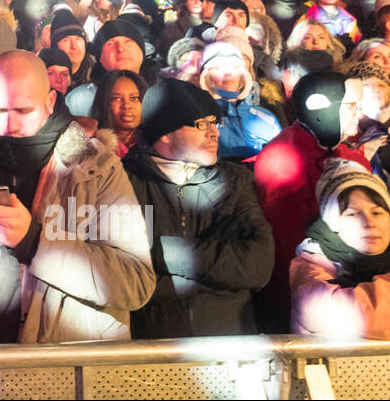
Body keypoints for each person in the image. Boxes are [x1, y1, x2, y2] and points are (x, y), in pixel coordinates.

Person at [0, 50, 155, 343]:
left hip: (56, 360)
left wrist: (35, 242)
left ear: (49, 101)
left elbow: (135, 280)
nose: (9, 125)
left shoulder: (95, 166)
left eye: (23, 111)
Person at [123, 79, 274, 338]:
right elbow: (127, 278)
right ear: (165, 132)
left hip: (230, 345)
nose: (214, 132)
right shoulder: (125, 182)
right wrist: (221, 280)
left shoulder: (235, 180)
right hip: (154, 348)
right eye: (201, 124)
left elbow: (257, 266)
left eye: (215, 123)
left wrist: (165, 251)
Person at [252, 71, 365, 332]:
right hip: (304, 296)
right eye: (351, 106)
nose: (359, 113)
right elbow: (285, 245)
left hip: (348, 288)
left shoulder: (348, 153)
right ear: (322, 107)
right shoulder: (283, 156)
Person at [291, 159, 390, 339]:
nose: (369, 223)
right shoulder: (312, 264)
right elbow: (329, 312)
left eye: (377, 212)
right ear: (333, 224)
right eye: (353, 214)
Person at [91, 69, 148, 158]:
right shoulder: (91, 146)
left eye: (134, 98)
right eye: (116, 98)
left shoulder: (158, 145)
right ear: (104, 103)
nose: (126, 105)